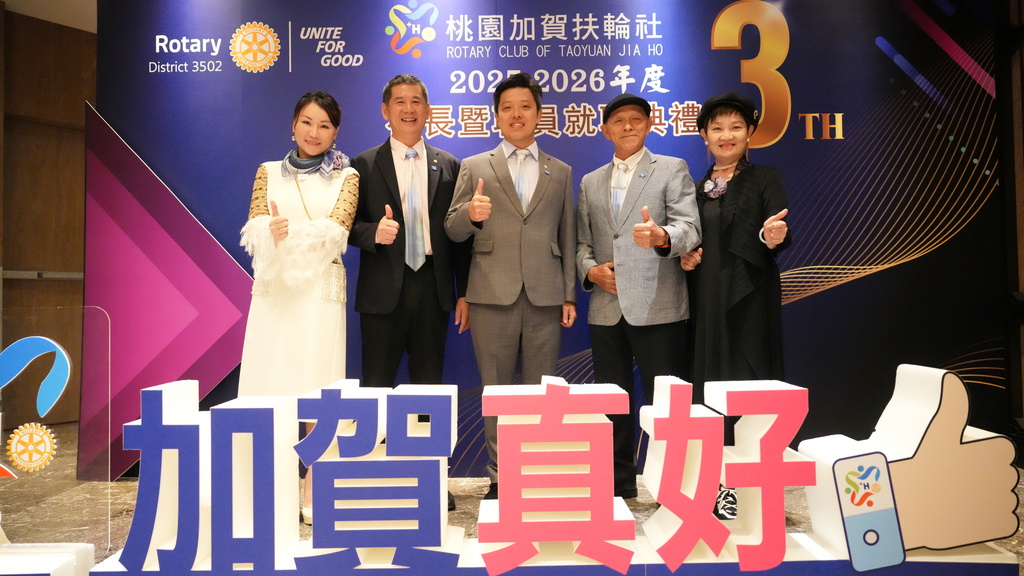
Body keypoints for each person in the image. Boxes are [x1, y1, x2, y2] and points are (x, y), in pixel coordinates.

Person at [445, 72, 577, 499]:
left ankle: (537, 471)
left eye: (525, 107)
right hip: (490, 293)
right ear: (496, 116)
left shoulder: (560, 170)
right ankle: (501, 477)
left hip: (545, 293)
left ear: (539, 114)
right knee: (497, 391)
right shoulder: (475, 166)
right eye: (507, 108)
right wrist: (471, 214)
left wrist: (569, 293)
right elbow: (452, 228)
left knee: (542, 391)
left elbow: (568, 233)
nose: (516, 115)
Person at [349, 74, 469, 511]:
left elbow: (461, 237)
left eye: (416, 101)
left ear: (428, 110)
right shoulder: (363, 164)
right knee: (376, 387)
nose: (408, 109)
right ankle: (369, 479)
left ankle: (430, 479)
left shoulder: (449, 165)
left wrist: (463, 292)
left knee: (428, 389)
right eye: (399, 101)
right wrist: (372, 233)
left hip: (433, 287)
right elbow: (345, 225)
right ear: (385, 110)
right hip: (383, 289)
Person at [238, 90, 358, 524]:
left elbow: (338, 230)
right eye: (307, 122)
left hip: (318, 292)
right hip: (275, 295)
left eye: (324, 125)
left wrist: (291, 236)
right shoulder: (267, 171)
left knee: (318, 385)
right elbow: (254, 226)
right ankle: (264, 485)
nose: (314, 132)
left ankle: (315, 484)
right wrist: (269, 230)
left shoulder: (348, 176)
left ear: (335, 132)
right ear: (293, 125)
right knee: (269, 383)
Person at [576, 93, 701, 499]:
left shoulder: (671, 168)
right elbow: (582, 244)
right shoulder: (590, 181)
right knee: (610, 406)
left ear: (649, 125)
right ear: (605, 130)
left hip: (658, 305)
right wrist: (590, 270)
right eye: (619, 121)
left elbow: (690, 228)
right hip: (607, 309)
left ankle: (675, 488)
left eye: (636, 119)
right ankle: (617, 486)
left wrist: (663, 236)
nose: (627, 126)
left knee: (667, 407)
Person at [680, 91, 790, 519]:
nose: (726, 135)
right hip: (705, 296)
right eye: (717, 128)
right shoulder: (695, 187)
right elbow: (689, 238)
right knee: (709, 384)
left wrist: (772, 237)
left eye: (736, 127)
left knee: (749, 380)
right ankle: (716, 486)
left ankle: (755, 486)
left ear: (749, 133)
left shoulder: (765, 177)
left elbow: (775, 229)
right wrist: (686, 257)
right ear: (704, 135)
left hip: (749, 294)